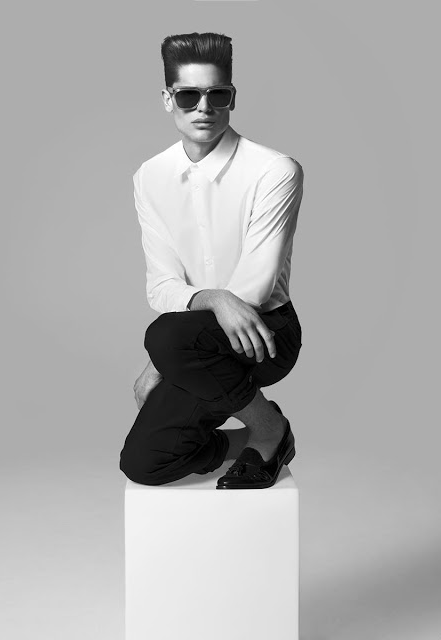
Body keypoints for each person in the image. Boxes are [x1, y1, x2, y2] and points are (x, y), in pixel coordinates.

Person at [119, 32, 304, 489]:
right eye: (188, 96)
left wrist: (161, 361)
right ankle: (248, 438)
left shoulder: (274, 170)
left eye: (217, 94)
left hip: (266, 333)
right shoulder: (150, 177)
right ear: (168, 99)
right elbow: (161, 286)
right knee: (144, 464)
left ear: (232, 98)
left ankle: (269, 430)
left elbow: (255, 288)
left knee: (165, 335)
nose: (204, 107)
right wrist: (212, 299)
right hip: (192, 345)